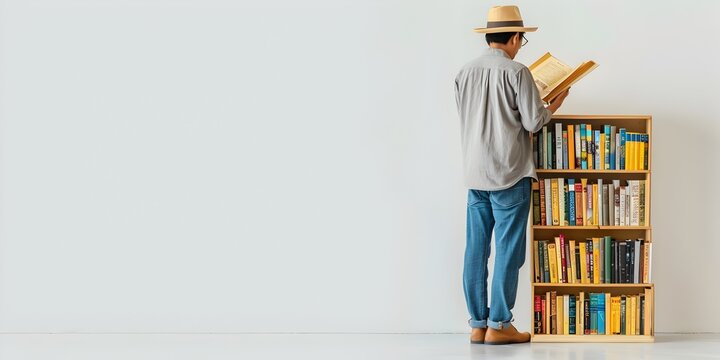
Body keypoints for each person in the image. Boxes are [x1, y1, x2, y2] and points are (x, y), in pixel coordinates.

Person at [454, 5, 569, 345]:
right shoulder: (517, 72)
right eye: (522, 39)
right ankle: (500, 324)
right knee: (507, 251)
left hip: (475, 175)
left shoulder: (464, 72)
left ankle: (478, 324)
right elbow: (533, 122)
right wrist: (553, 106)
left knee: (476, 250)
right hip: (509, 173)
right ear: (516, 38)